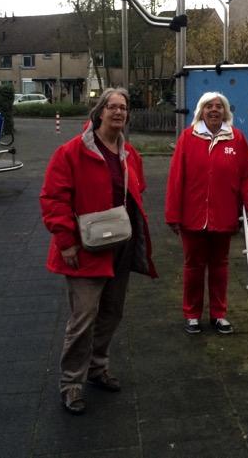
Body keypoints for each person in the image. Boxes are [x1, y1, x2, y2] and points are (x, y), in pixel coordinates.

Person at [40, 87, 157, 415]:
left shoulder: (130, 154)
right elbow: (53, 198)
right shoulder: (71, 152)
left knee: (111, 312)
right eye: (112, 107)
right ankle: (71, 383)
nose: (119, 113)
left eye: (124, 108)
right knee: (83, 317)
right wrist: (66, 242)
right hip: (85, 248)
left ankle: (97, 367)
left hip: (119, 245)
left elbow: (138, 190)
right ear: (99, 112)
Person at [165, 91, 248, 335]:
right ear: (201, 111)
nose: (214, 110)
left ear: (225, 111)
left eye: (219, 106)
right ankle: (192, 315)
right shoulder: (188, 138)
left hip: (223, 215)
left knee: (220, 266)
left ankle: (219, 314)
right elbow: (176, 178)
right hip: (192, 217)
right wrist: (173, 215)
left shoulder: (237, 139)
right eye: (209, 106)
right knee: (193, 266)